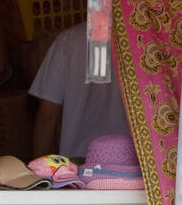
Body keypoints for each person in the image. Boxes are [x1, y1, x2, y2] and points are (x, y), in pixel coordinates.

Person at [29, 21, 130, 160]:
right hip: (132, 161)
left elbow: (47, 115)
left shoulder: (68, 40)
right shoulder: (143, 39)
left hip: (81, 160)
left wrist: (38, 173)